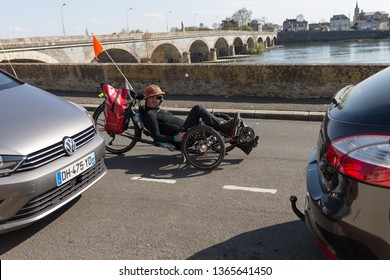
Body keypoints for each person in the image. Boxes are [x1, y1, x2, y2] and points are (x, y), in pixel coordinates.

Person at [140, 84, 238, 146]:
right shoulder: (150, 114)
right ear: (149, 99)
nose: (162, 100)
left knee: (211, 117)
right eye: (159, 97)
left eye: (162, 97)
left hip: (187, 128)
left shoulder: (156, 109)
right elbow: (156, 137)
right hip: (183, 134)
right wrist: (175, 138)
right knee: (197, 108)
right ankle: (224, 126)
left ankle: (237, 138)